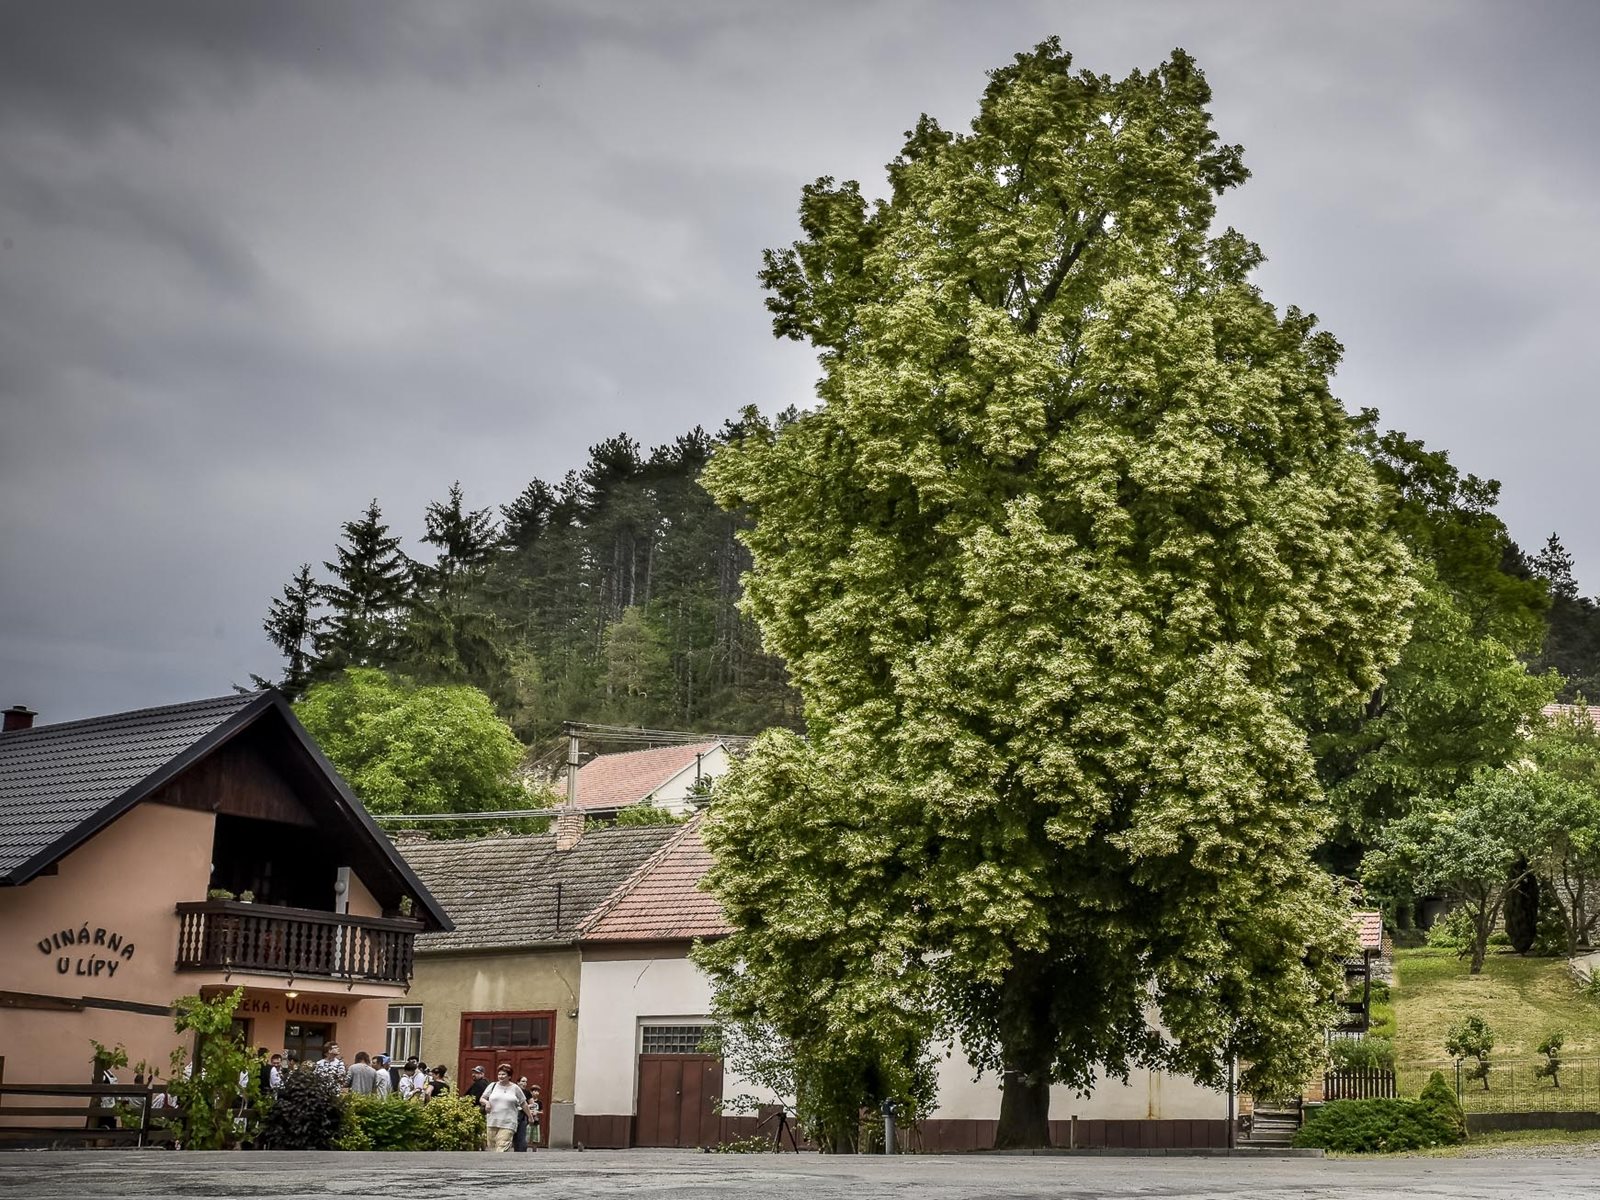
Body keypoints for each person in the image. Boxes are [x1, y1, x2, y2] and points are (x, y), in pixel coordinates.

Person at [479, 1065, 525, 1152]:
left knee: (501, 1147)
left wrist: (530, 1117)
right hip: (492, 1121)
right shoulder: (492, 1086)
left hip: (508, 1122)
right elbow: (482, 1098)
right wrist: (487, 1103)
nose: (501, 1076)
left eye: (503, 1074)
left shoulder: (515, 1088)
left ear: (509, 1076)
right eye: (499, 1074)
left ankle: (499, 1164)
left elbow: (523, 1103)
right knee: (492, 1147)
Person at [523, 1084, 543, 1153]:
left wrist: (537, 1112)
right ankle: (524, 1150)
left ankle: (534, 1152)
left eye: (537, 1091)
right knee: (526, 1138)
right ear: (531, 1092)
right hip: (528, 1122)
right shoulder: (527, 1101)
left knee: (535, 1139)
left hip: (536, 1122)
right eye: (534, 1091)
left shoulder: (539, 1102)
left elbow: (541, 1111)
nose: (536, 1093)